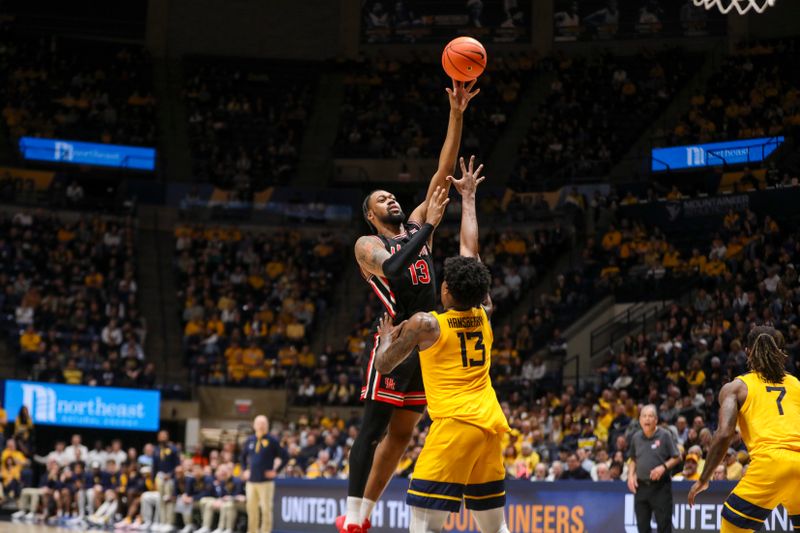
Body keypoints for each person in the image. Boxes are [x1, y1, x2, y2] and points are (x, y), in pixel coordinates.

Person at [340, 80, 479, 533]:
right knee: (374, 429)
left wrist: (456, 112)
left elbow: (442, 168)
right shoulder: (367, 244)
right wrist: (428, 227)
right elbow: (397, 270)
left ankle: (369, 513)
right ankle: (353, 516)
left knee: (402, 436)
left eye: (393, 195)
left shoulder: (418, 222)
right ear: (371, 214)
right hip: (396, 340)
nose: (392, 199)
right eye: (382, 198)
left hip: (428, 343)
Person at [373, 159, 510, 533]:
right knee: (494, 526)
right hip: (489, 426)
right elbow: (471, 247)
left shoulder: (427, 325)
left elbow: (384, 366)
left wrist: (387, 338)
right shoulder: (484, 311)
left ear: (445, 290)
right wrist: (468, 197)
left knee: (423, 522)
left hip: (453, 428)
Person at [688, 326, 800, 532]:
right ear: (780, 351)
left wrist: (703, 479)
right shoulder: (796, 384)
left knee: (732, 524)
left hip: (770, 463)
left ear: (747, 352)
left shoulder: (737, 387)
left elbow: (723, 434)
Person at [627, 405, 681, 533]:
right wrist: (630, 476)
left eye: (650, 416)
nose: (647, 419)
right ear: (640, 420)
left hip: (661, 487)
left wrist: (663, 468)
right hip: (641, 487)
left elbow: (677, 457)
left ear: (656, 420)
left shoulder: (665, 435)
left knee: (664, 526)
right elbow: (633, 459)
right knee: (642, 527)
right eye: (644, 416)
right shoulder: (636, 437)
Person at [241, 415, 288, 533]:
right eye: (259, 423)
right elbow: (242, 457)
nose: (261, 426)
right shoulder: (250, 440)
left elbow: (285, 457)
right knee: (251, 509)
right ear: (254, 425)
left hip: (266, 482)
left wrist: (275, 471)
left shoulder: (272, 441)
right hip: (251, 482)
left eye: (264, 423)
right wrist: (244, 470)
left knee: (266, 510)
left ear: (267, 426)